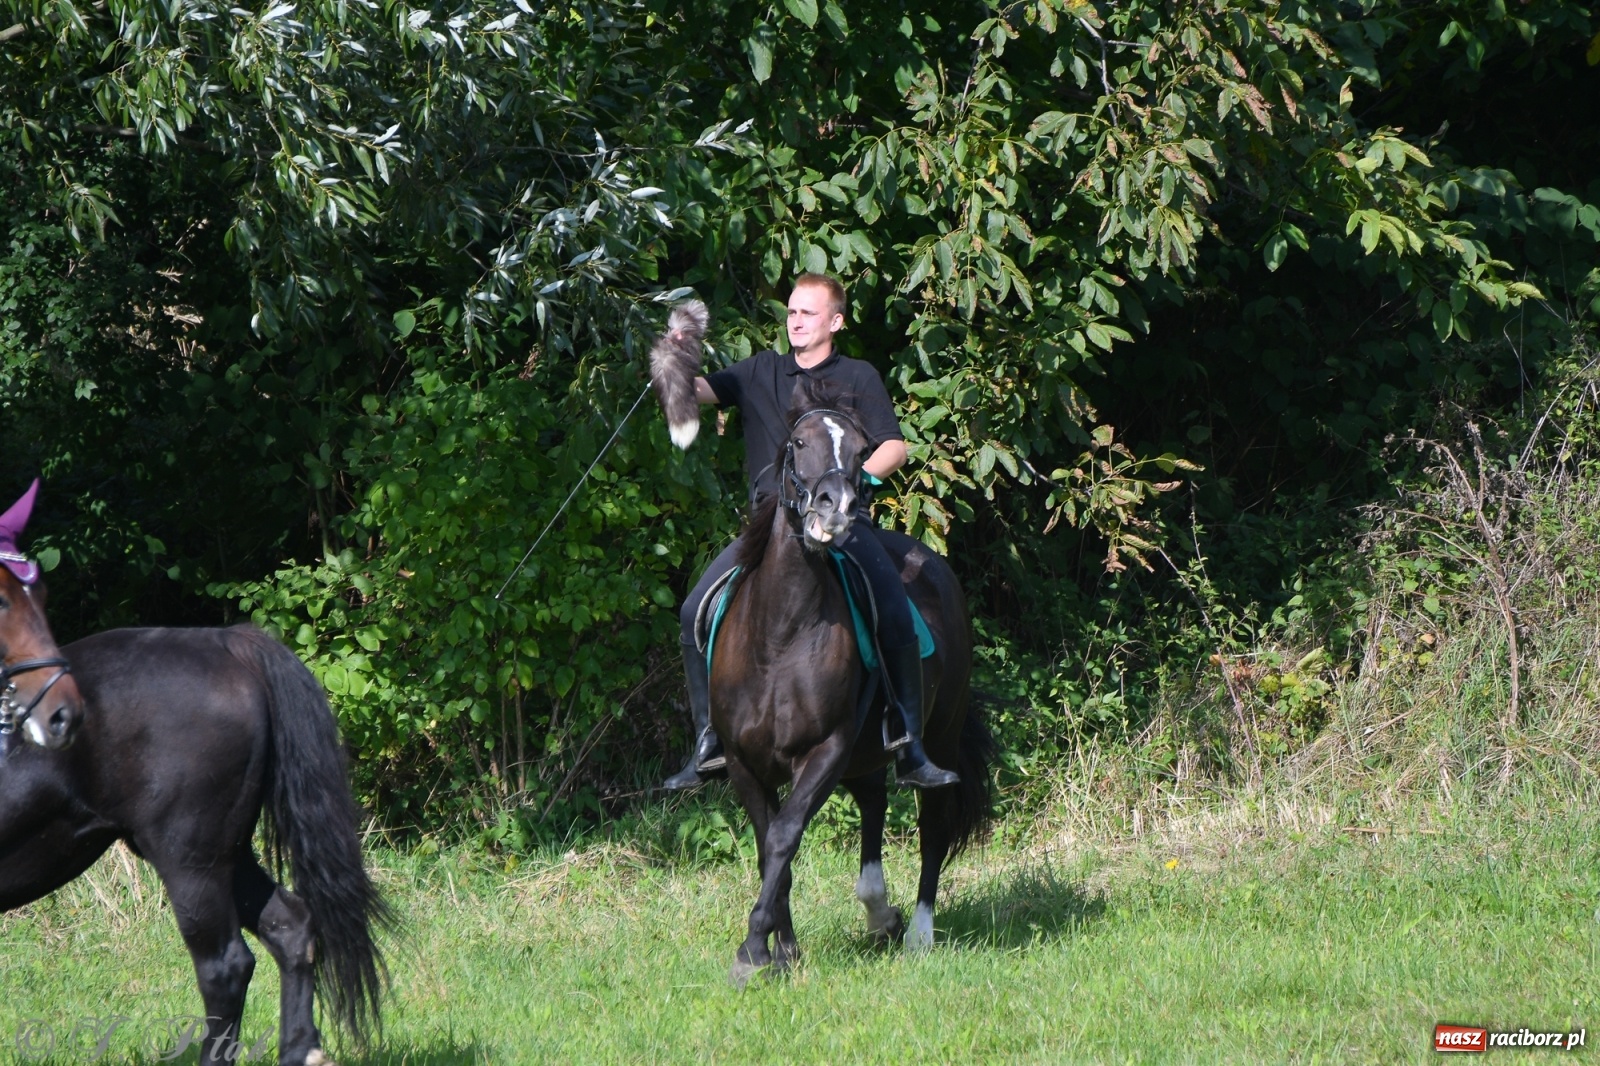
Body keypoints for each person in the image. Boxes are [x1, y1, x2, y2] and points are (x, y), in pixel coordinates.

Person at [662, 273, 960, 791]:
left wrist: (853, 483)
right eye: (792, 312)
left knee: (896, 608)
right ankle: (708, 741)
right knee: (693, 610)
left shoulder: (858, 376)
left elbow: (894, 447)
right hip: (770, 530)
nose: (795, 321)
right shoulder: (760, 371)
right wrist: (675, 354)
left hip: (843, 525)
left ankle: (909, 746)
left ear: (835, 322)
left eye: (808, 313)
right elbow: (696, 391)